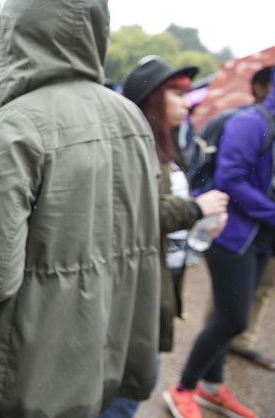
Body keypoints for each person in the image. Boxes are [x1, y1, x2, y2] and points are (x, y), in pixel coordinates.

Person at [0, 0, 161, 418]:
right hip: (109, 350)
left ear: (19, 32)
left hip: (27, 372)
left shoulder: (14, 126)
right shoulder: (131, 117)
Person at [97, 56, 229, 417]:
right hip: (135, 282)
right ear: (153, 98)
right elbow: (137, 214)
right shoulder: (130, 146)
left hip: (160, 273)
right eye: (177, 95)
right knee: (130, 381)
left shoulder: (167, 147)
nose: (186, 104)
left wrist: (201, 219)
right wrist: (196, 210)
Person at [163, 68, 275, 418]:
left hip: (260, 237)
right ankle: (182, 388)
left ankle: (211, 387)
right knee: (231, 318)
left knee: (235, 314)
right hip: (231, 233)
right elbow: (230, 178)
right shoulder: (250, 122)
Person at [227, 66, 275, 370]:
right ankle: (208, 371)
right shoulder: (248, 122)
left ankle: (242, 341)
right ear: (260, 88)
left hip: (267, 231)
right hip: (244, 228)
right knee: (229, 303)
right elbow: (230, 178)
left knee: (263, 288)